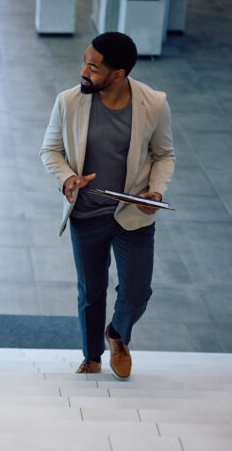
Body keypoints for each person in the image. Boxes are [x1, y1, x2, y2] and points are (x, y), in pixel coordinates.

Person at [39, 32, 175, 379]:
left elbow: (164, 154)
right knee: (91, 290)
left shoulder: (154, 103)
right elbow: (50, 150)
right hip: (86, 213)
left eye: (93, 67)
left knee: (137, 291)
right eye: (85, 61)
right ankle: (91, 356)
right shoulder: (69, 102)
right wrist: (68, 178)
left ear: (119, 73)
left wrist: (156, 192)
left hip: (133, 212)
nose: (84, 70)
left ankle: (117, 333)